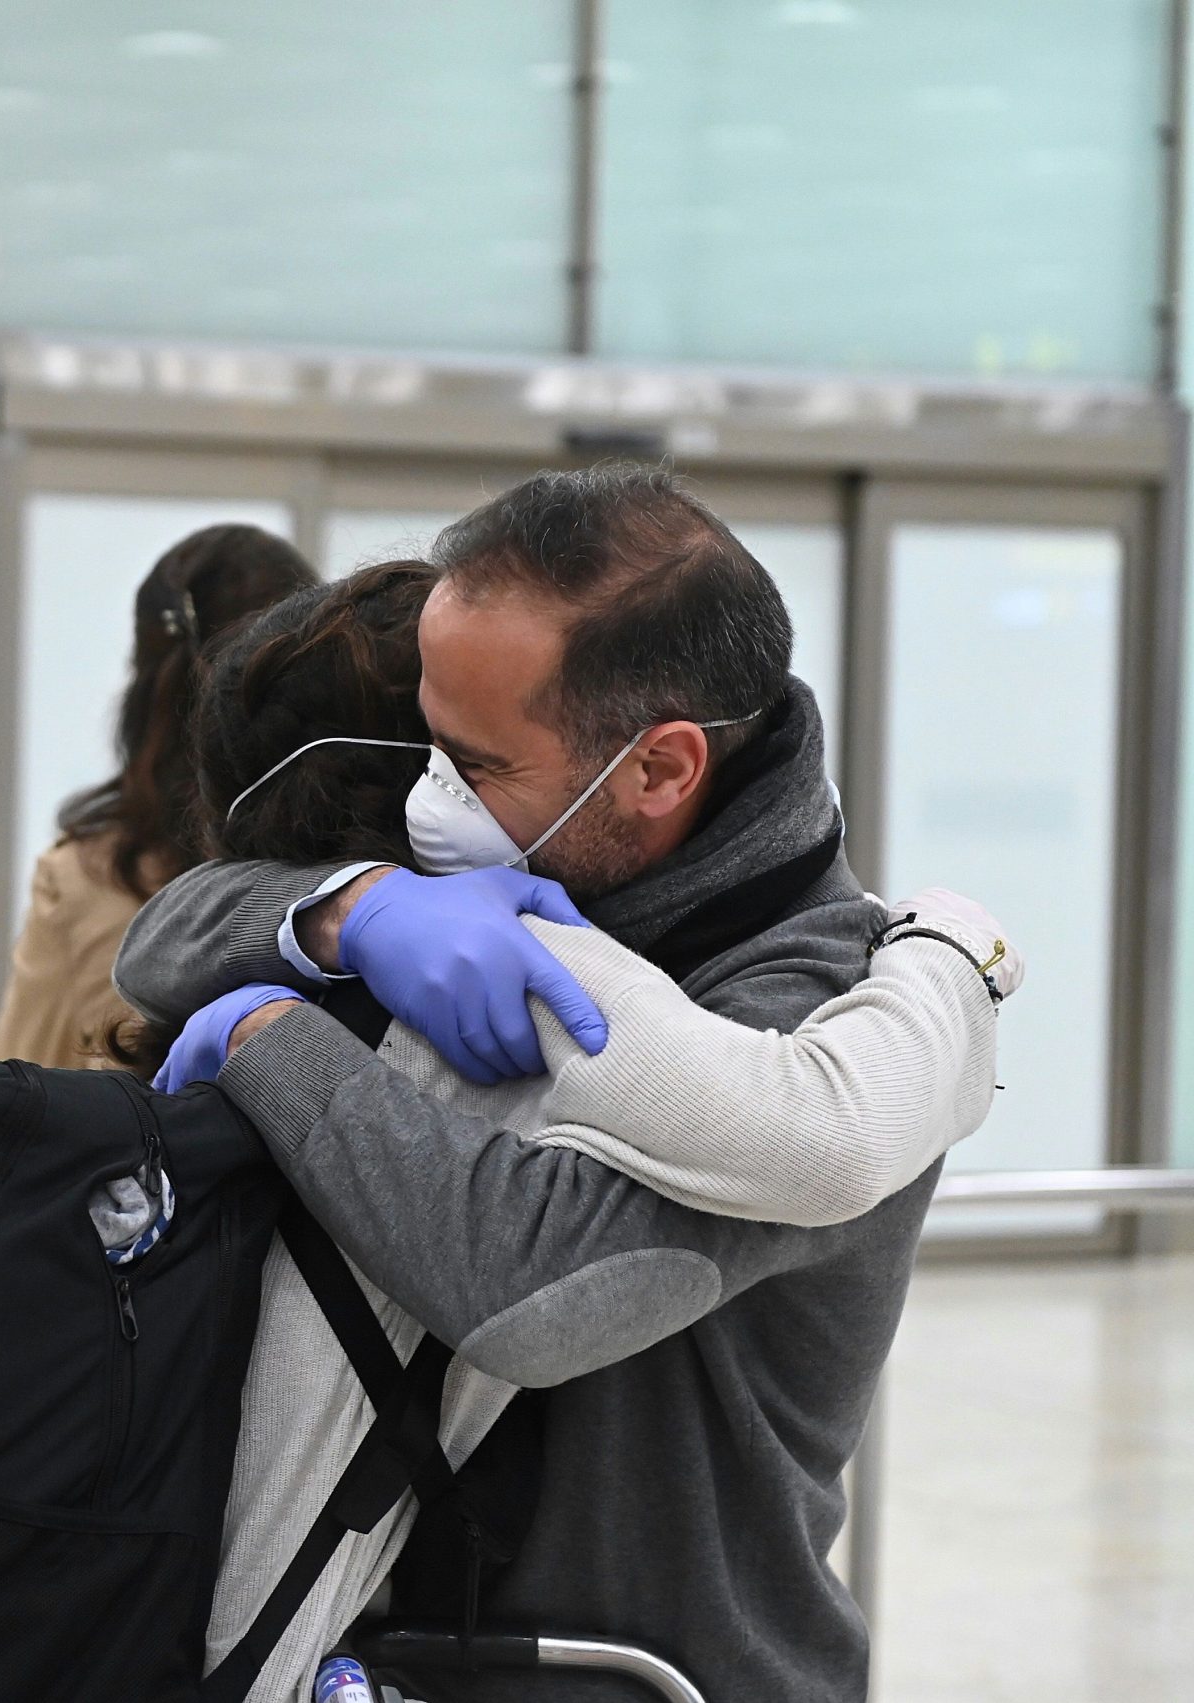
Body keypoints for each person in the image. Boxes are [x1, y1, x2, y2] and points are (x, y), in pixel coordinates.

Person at [116, 467, 991, 1701]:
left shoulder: (818, 1006)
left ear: (658, 769)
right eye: (425, 742)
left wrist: (271, 1035)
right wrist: (347, 910)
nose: (430, 797)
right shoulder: (516, 878)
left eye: (475, 762)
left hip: (652, 1670)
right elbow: (160, 936)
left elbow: (528, 1283)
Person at [0, 523, 316, 1067]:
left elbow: (19, 1081)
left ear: (145, 677)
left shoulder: (90, 875)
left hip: (139, 1149)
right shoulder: (376, 858)